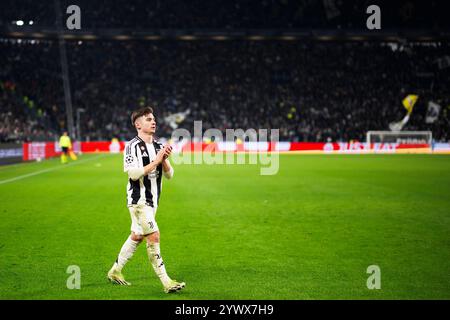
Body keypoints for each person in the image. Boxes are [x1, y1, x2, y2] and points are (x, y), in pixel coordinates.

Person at [107, 106, 185, 293]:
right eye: (149, 119)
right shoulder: (132, 146)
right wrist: (157, 161)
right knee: (154, 235)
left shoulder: (158, 146)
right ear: (138, 124)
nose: (153, 121)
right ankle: (167, 282)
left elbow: (170, 175)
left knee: (137, 236)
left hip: (153, 201)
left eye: (153, 119)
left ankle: (115, 271)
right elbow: (133, 174)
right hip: (139, 200)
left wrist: (164, 158)